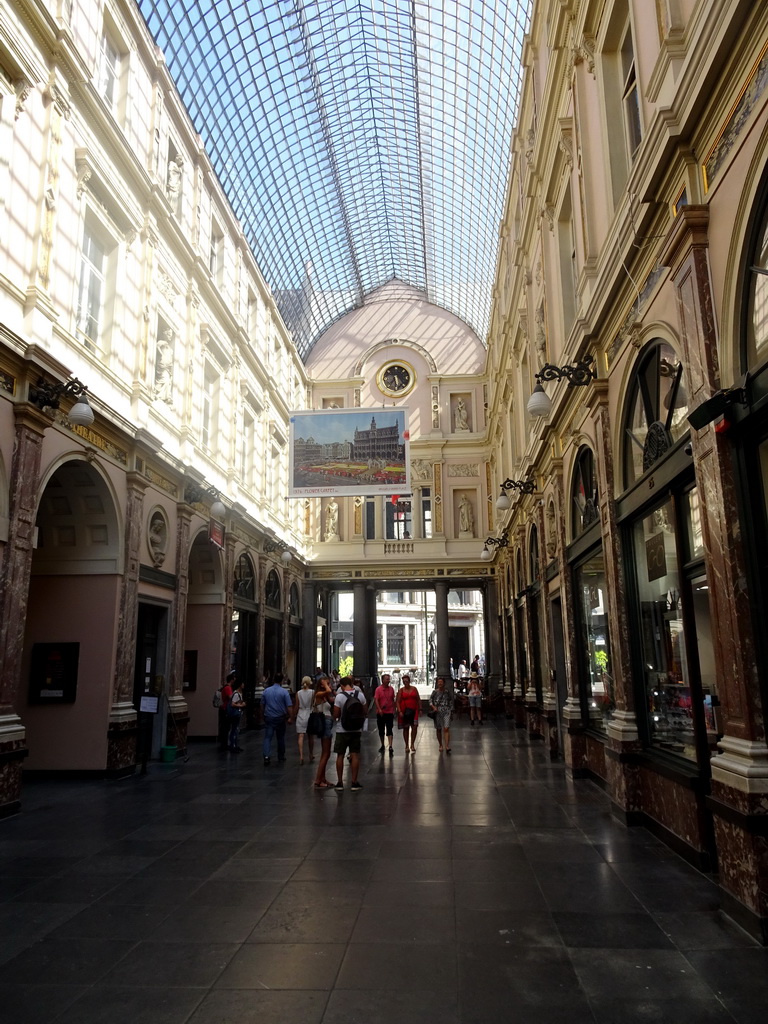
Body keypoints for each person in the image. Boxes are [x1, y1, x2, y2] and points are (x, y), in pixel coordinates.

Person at [333, 676, 367, 790]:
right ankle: (354, 782)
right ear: (352, 684)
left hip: (342, 729)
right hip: (356, 729)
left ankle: (339, 782)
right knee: (355, 754)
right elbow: (365, 711)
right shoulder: (360, 695)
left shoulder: (339, 697)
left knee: (340, 755)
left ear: (342, 686)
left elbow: (336, 715)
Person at [261, 671, 293, 764]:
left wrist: (263, 714)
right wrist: (291, 717)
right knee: (280, 737)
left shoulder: (266, 691)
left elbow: (262, 704)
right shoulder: (284, 692)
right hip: (280, 718)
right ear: (282, 680)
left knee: (268, 737)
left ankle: (266, 756)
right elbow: (289, 706)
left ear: (273, 679)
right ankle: (281, 755)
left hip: (269, 717)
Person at [312, 675, 336, 788]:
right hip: (324, 723)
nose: (329, 685)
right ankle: (318, 780)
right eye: (327, 683)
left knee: (326, 753)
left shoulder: (324, 695)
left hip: (327, 722)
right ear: (321, 684)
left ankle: (323, 778)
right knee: (325, 753)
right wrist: (326, 685)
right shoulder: (318, 694)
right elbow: (328, 691)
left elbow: (332, 699)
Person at [293, 675, 316, 764]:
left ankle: (301, 755)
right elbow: (314, 704)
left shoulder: (298, 693)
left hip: (301, 714)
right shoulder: (313, 692)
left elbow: (296, 706)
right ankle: (310, 754)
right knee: (310, 736)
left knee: (301, 736)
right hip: (309, 714)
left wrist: (293, 716)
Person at [396, 672, 420, 753]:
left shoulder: (414, 689)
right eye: (404, 681)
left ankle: (412, 744)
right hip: (405, 710)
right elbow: (397, 701)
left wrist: (420, 709)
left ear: (409, 681)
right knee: (406, 727)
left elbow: (418, 699)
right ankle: (406, 744)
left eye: (407, 681)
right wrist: (399, 711)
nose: (405, 682)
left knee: (414, 726)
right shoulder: (401, 690)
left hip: (414, 709)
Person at [374, 672, 396, 756]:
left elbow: (392, 699)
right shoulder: (378, 689)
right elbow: (376, 699)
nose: (388, 681)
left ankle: (390, 745)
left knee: (390, 728)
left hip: (389, 712)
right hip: (381, 712)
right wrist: (379, 709)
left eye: (389, 679)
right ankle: (382, 744)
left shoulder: (391, 689)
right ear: (382, 680)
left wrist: (394, 709)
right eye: (387, 679)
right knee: (381, 729)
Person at [429, 676, 453, 753]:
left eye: (441, 682)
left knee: (446, 728)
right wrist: (433, 707)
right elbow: (430, 701)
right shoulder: (435, 692)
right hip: (438, 711)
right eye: (438, 682)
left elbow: (450, 701)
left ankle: (447, 745)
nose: (440, 684)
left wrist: (451, 710)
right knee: (438, 729)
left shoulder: (447, 692)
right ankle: (440, 744)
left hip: (446, 711)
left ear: (444, 683)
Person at [227, 679, 246, 752]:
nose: (243, 685)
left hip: (236, 714)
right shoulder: (236, 694)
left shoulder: (239, 693)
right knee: (234, 729)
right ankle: (233, 745)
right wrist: (241, 705)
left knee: (235, 729)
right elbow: (233, 704)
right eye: (242, 684)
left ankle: (235, 745)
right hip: (235, 714)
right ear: (240, 685)